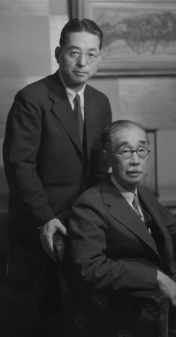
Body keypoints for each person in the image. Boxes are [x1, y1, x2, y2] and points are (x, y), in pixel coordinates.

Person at [69, 120, 176, 337]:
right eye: (125, 151)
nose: (135, 161)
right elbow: (91, 267)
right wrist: (155, 278)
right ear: (108, 157)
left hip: (169, 274)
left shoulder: (143, 194)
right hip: (136, 290)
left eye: (142, 150)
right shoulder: (91, 203)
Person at [2, 18, 112, 336]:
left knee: (81, 317)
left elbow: (98, 169)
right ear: (58, 53)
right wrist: (44, 219)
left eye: (91, 54)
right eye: (74, 52)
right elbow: (19, 166)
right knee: (36, 320)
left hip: (82, 224)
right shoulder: (32, 98)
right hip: (40, 226)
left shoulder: (100, 102)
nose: (82, 62)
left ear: (99, 58)